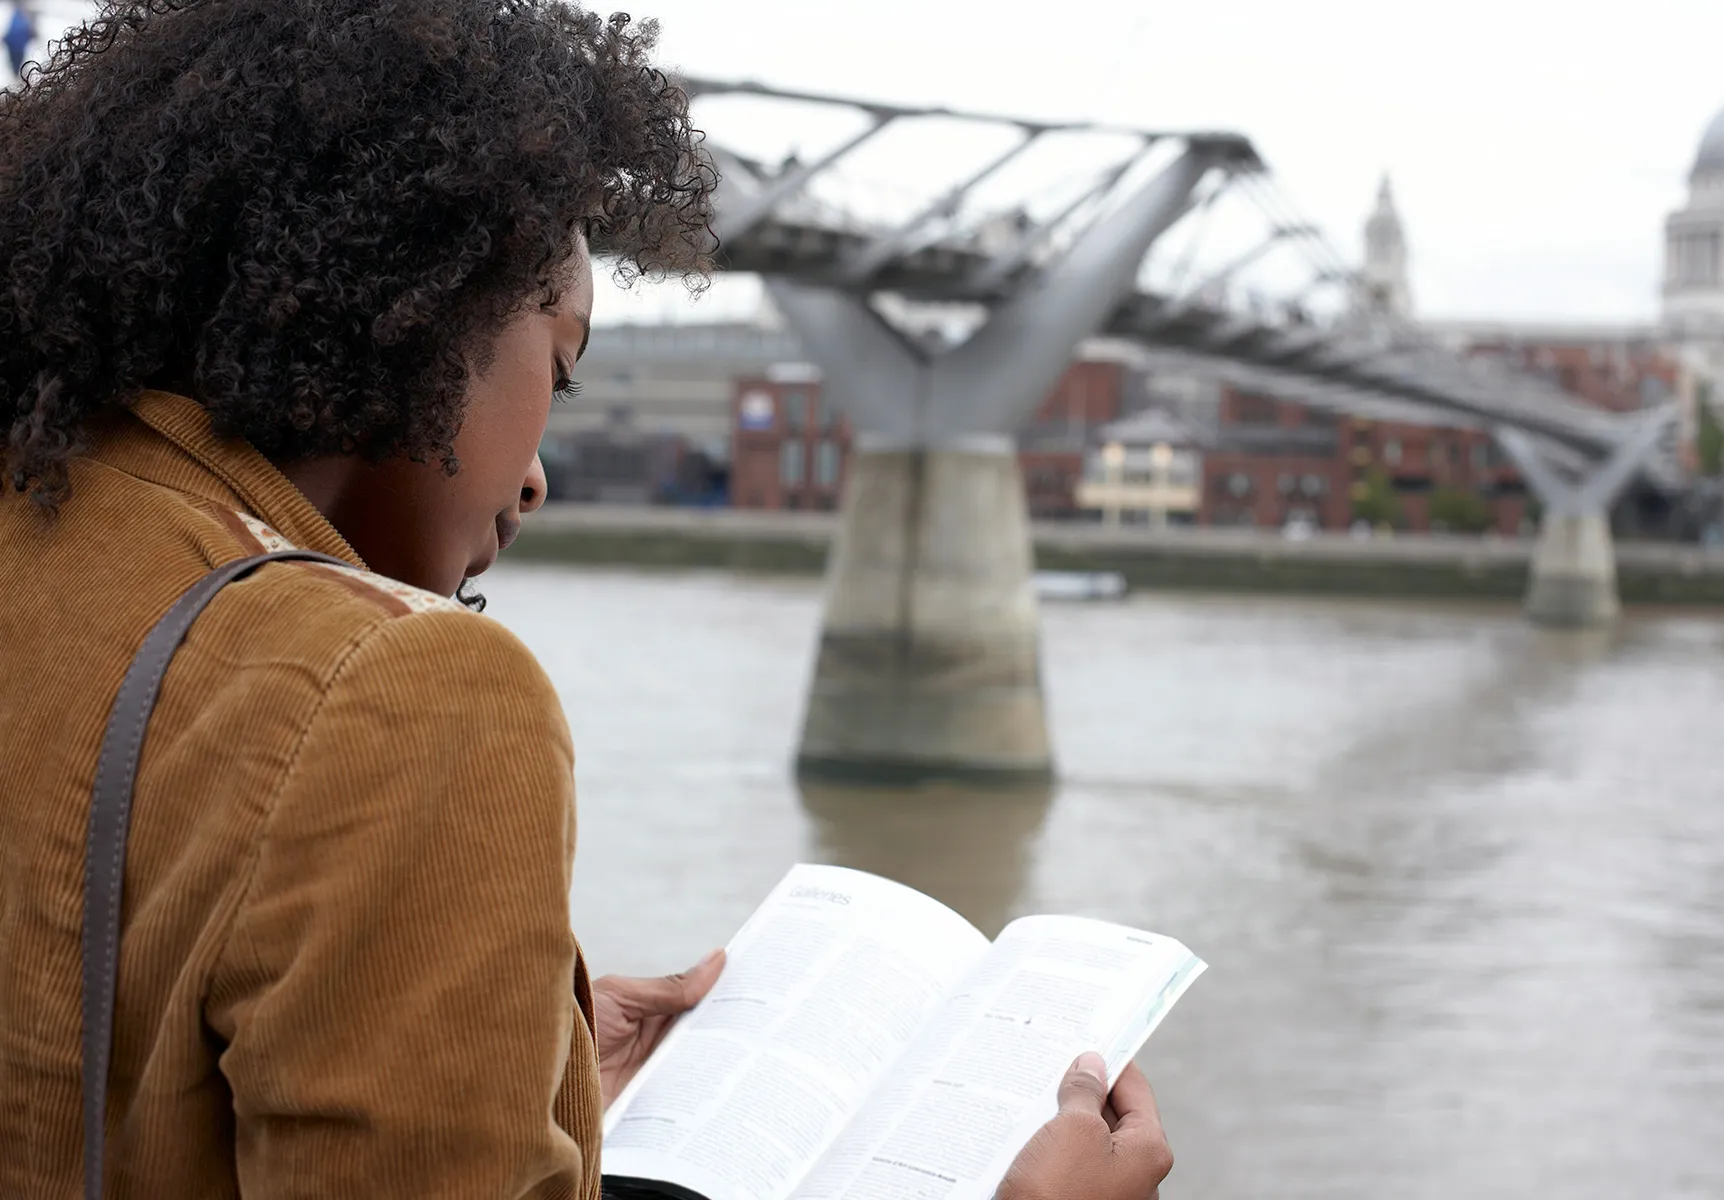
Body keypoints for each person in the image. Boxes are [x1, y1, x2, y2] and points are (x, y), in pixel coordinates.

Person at [0, 2, 1176, 1197]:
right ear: (418, 308)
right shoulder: (401, 690)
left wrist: (526, 1073)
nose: (537, 475)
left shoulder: (36, 528)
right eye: (557, 373)